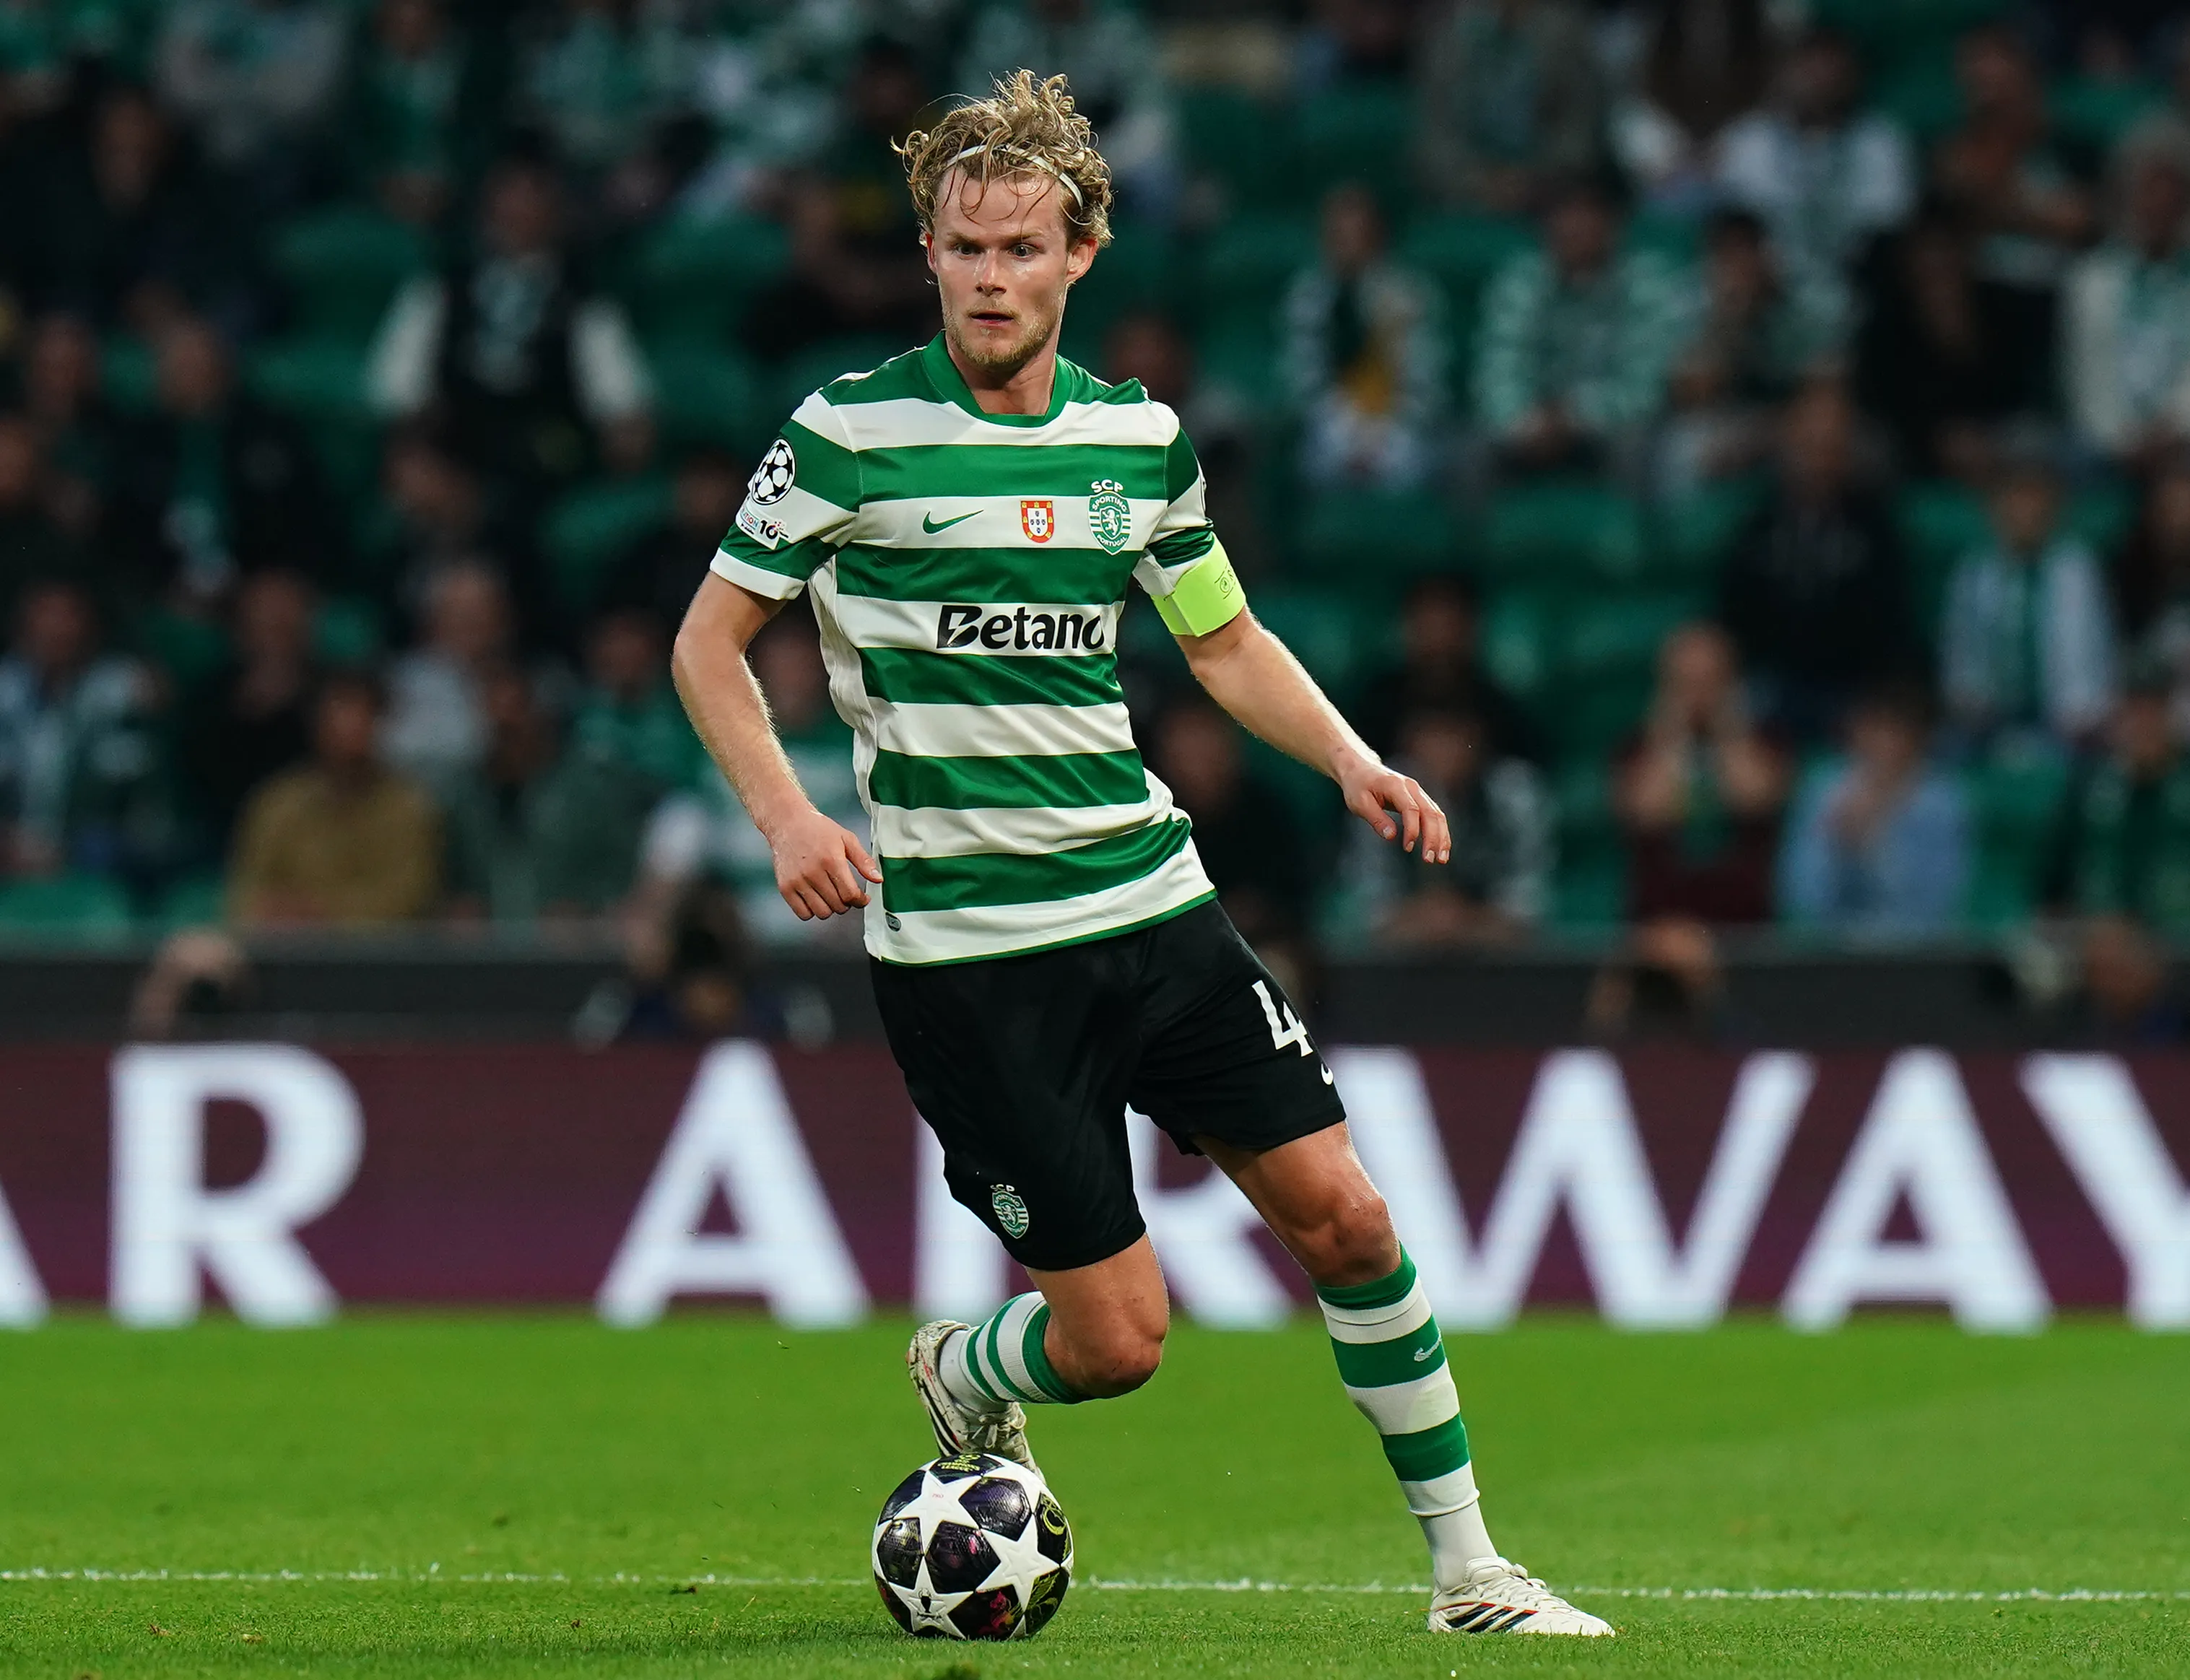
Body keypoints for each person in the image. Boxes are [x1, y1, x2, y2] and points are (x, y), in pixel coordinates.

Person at [669, 71, 1611, 1638]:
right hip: (970, 957)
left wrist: (1350, 757)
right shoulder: (847, 435)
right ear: (927, 252)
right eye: (963, 248)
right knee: (1115, 1343)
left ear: (1078, 254)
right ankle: (963, 1361)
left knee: (1351, 1220)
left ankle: (1469, 1574)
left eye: (1020, 249)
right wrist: (785, 816)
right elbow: (707, 643)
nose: (989, 278)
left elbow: (1220, 639)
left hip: (1150, 904)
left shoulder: (1136, 439)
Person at [366, 158, 654, 489]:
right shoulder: (442, 290)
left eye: (531, 204)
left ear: (557, 215)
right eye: (506, 204)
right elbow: (397, 389)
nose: (516, 216)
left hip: (544, 454)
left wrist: (622, 439)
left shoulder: (584, 302)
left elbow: (622, 402)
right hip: (458, 445)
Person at [1716, 385, 1914, 743]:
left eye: (1830, 446)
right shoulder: (1759, 524)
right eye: (1808, 445)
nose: (1818, 459)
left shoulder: (1874, 527)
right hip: (1771, 680)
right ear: (1788, 446)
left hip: (1850, 686)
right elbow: (1734, 613)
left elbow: (1889, 625)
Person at [1472, 180, 1686, 476]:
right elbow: (1498, 371)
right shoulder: (1521, 281)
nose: (1574, 229)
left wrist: (1574, 417)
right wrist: (1526, 422)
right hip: (1531, 427)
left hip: (1614, 430)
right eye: (1564, 217)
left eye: (1587, 217)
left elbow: (1647, 385)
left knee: (1641, 452)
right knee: (1472, 453)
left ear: (1614, 226)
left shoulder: (1649, 284)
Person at [440, 663, 656, 923]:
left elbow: (622, 872)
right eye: (498, 728)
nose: (506, 740)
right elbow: (450, 876)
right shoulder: (466, 796)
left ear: (539, 719)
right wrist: (459, 906)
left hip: (577, 937)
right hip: (487, 940)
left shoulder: (589, 790)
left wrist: (586, 906)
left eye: (514, 726)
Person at [228, 668, 440, 926]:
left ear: (381, 725)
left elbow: (409, 898)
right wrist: (273, 913)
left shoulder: (410, 807)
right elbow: (246, 895)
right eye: (338, 715)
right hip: (288, 946)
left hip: (380, 949)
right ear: (316, 725)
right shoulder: (278, 804)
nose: (349, 728)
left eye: (361, 716)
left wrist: (320, 913)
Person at [1658, 209, 1848, 494]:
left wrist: (1776, 434)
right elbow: (1694, 396)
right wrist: (1731, 320)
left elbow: (1828, 390)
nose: (1741, 265)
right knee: (1683, 450)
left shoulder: (1811, 306)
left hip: (1797, 417)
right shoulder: (1694, 304)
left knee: (1833, 437)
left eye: (1749, 250)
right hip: (1730, 419)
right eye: (1728, 254)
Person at [1939, 455, 2118, 750]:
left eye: (2036, 505)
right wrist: (1969, 703)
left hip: (2068, 722)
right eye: (2016, 503)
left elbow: (2096, 647)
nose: (2026, 515)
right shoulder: (1975, 570)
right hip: (1986, 720)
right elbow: (1960, 647)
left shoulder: (2077, 568)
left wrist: (2087, 714)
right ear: (1996, 510)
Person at [1615, 621, 1789, 925]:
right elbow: (1646, 814)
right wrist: (1670, 736)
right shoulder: (1635, 749)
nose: (1697, 693)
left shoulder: (1768, 742)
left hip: (1746, 924)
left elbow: (1755, 801)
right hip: (1661, 924)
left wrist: (1730, 731)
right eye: (1685, 682)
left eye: (1710, 681)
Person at [1334, 705, 1550, 947]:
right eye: (1433, 736)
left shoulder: (1513, 794)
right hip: (1400, 950)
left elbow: (1529, 900)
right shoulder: (1381, 791)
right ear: (1410, 740)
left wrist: (1465, 920)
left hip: (1496, 949)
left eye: (1455, 735)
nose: (1445, 750)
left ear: (1478, 739)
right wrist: (1424, 918)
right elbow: (1368, 905)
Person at [1713, 30, 1915, 286]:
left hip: (1858, 279)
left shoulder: (1881, 141)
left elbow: (1889, 224)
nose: (1821, 84)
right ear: (1787, 72)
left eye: (1832, 72)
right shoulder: (1749, 139)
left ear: (1853, 77)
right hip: (1768, 282)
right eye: (1811, 71)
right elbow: (1733, 222)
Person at [0, 578, 167, 884]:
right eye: (45, 617)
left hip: (94, 853)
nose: (56, 630)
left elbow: (143, 798)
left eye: (67, 617)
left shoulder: (128, 691)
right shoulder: (5, 689)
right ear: (22, 628)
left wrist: (62, 849)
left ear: (90, 628)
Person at [1280, 184, 1448, 489]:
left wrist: (1383, 435)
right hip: (1330, 427)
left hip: (1399, 428)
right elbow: (1303, 374)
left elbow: (1425, 373)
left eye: (1358, 235)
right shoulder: (1309, 297)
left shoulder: (1408, 293)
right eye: (1339, 236)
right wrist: (1345, 432)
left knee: (1409, 463)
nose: (1348, 246)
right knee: (1318, 459)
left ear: (1377, 237)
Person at [1778, 680, 1970, 936]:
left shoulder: (1942, 803)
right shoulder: (1825, 791)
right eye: (1874, 729)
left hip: (1915, 949)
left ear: (1918, 738)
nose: (1883, 744)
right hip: (1833, 947)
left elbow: (1937, 905)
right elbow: (1800, 895)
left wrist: (1874, 850)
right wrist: (1843, 850)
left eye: (1895, 732)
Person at [2063, 140, 2190, 464]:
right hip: (2102, 439)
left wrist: (2173, 429)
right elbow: (2085, 371)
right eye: (2150, 201)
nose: (2159, 213)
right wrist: (2122, 439)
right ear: (2129, 204)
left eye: (2170, 204)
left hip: (2180, 439)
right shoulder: (2091, 278)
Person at [1415, 0, 1603, 216]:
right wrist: (1478, 181)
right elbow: (1435, 131)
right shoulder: (1450, 36)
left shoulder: (1565, 34)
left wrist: (1532, 178)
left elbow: (1578, 126)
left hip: (1550, 195)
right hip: (1462, 196)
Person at [2051, 667, 2190, 934]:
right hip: (2101, 940)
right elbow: (2055, 886)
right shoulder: (2090, 786)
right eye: (2134, 712)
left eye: (2154, 712)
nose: (2144, 725)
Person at [1353, 574, 1536, 762]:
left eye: (1448, 625)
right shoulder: (1377, 702)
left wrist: (1474, 757)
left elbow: (1528, 762)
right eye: (1429, 625)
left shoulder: (1497, 706)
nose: (1439, 640)